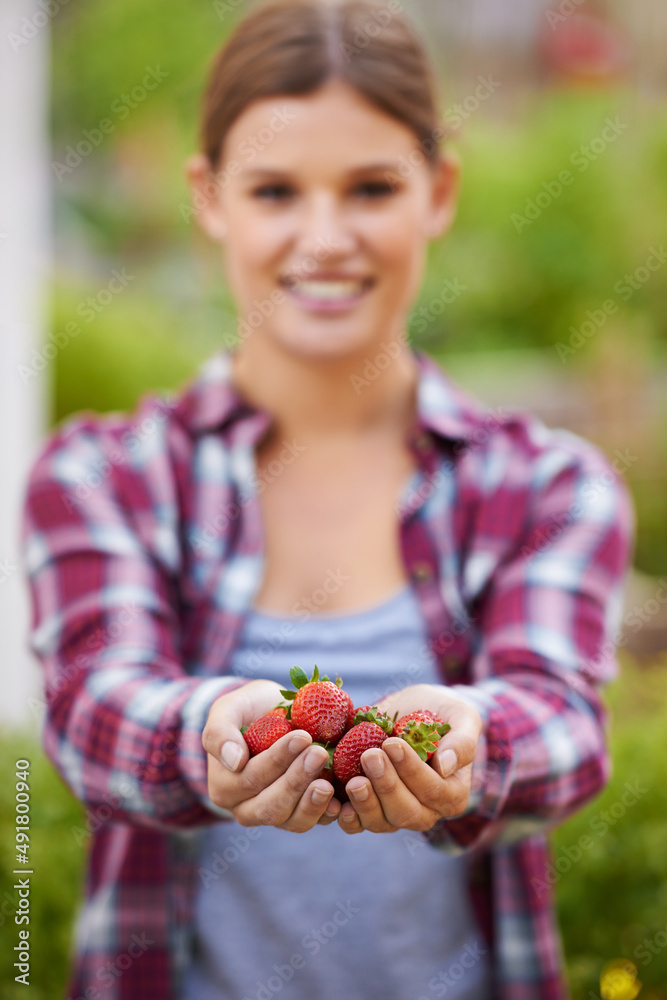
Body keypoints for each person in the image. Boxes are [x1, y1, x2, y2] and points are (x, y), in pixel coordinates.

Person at [21, 1, 634, 998]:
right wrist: (213, 727)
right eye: (274, 191)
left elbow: (564, 727)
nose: (324, 237)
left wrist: (473, 740)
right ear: (208, 197)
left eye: (370, 188)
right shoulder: (102, 478)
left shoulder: (548, 487)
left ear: (436, 192)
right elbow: (93, 711)